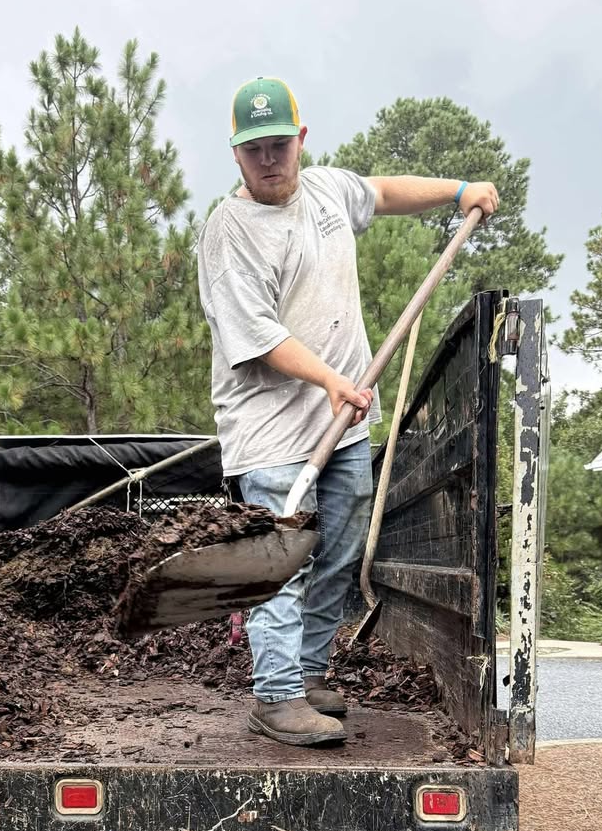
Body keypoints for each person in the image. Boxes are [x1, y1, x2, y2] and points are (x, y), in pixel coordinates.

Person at [197, 76, 499, 746]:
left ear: (299, 140)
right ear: (236, 154)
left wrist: (457, 193)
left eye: (279, 144)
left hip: (345, 426)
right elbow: (258, 335)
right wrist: (332, 379)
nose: (269, 159)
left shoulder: (329, 190)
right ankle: (274, 697)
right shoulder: (230, 230)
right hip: (273, 434)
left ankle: (304, 676)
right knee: (285, 559)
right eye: (254, 150)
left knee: (336, 556)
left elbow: (386, 192)